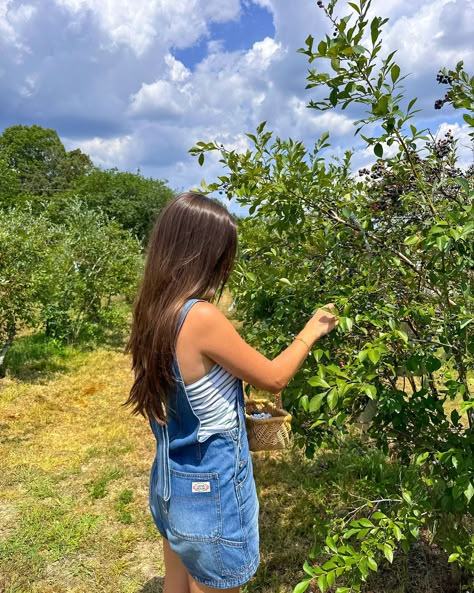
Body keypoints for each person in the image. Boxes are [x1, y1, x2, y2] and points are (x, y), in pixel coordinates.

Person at [124, 192, 339, 593]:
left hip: (171, 484)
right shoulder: (201, 316)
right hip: (211, 495)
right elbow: (273, 377)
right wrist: (312, 330)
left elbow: (188, 394)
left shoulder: (153, 312)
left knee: (178, 581)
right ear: (205, 254)